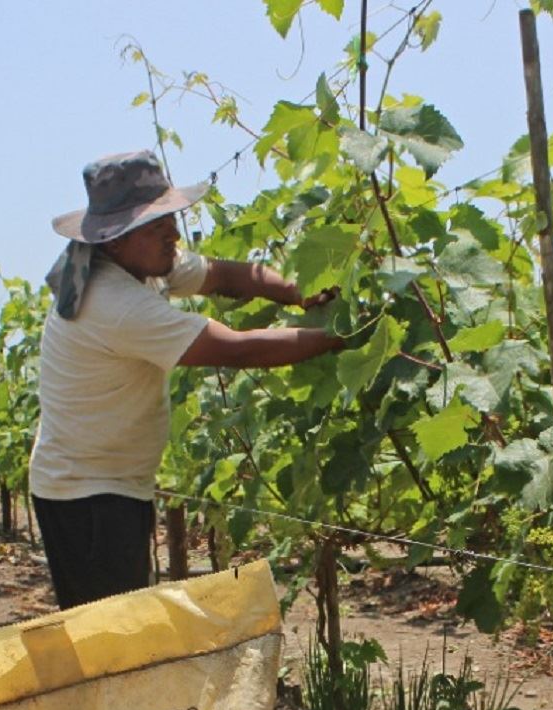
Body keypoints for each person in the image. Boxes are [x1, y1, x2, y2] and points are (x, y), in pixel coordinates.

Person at [29, 149, 344, 609]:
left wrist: (299, 291)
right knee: (111, 632)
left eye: (170, 220)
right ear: (115, 240)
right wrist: (341, 336)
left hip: (111, 484)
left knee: (122, 624)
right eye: (156, 227)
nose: (173, 235)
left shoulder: (140, 262)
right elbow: (237, 349)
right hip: (86, 497)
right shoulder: (113, 303)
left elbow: (223, 275)